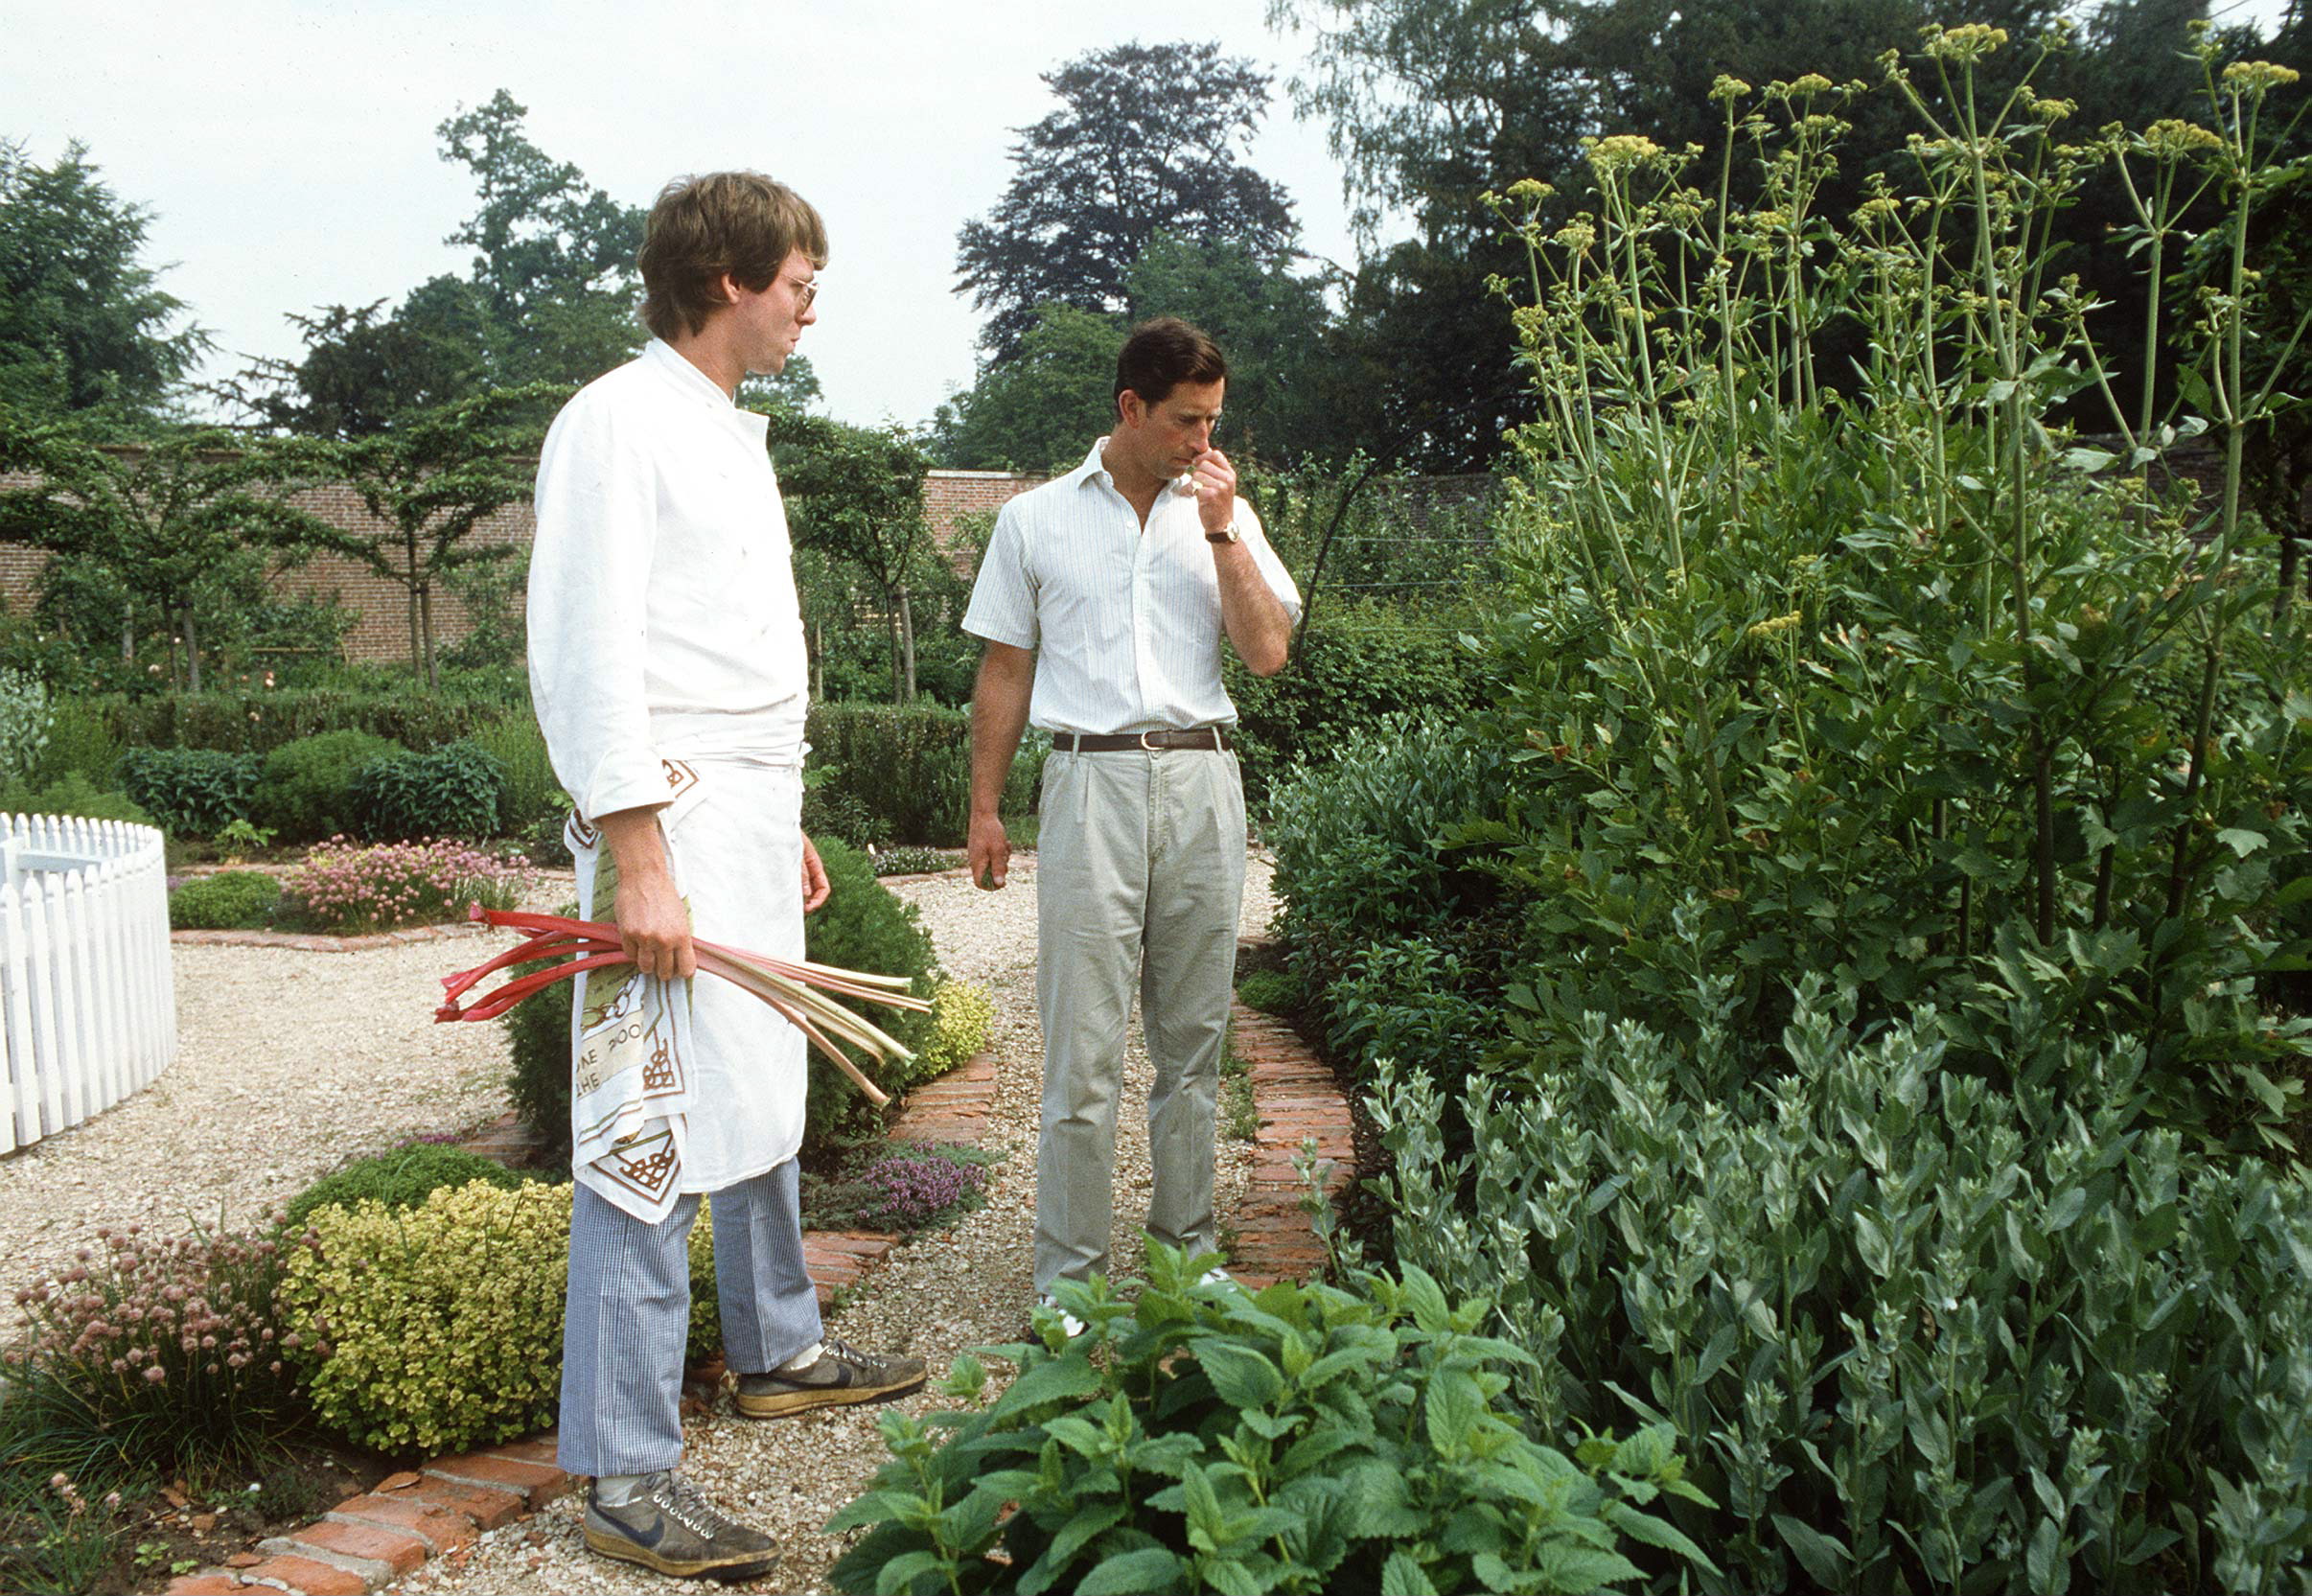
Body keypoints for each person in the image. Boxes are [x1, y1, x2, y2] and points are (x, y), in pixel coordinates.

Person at [527, 170, 924, 1584]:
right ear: (724, 282)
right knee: (646, 1127)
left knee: (759, 1087)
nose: (812, 304)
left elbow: (726, 653)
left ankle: (778, 1348)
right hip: (669, 828)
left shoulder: (729, 433)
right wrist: (641, 854)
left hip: (740, 815)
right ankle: (626, 1471)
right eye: (797, 280)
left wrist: (782, 811)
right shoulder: (615, 423)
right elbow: (587, 653)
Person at [960, 317, 1301, 1320]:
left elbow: (1268, 653)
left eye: (1215, 421)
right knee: (1082, 1048)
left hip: (1203, 782)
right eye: (1188, 422)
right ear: (1131, 409)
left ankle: (1184, 1263)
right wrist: (984, 807)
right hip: (1088, 784)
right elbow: (1006, 667)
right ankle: (1068, 1285)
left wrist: (1226, 530)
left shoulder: (1224, 513)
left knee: (1193, 1044)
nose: (1205, 442)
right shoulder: (1033, 521)